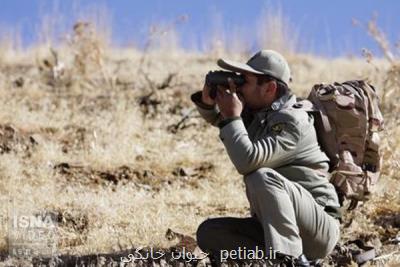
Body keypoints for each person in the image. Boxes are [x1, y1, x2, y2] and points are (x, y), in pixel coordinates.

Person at [191, 50, 341, 266]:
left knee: (261, 176)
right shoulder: (262, 113)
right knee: (209, 233)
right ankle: (269, 258)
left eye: (245, 81)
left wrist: (232, 116)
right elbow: (222, 120)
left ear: (270, 87)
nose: (239, 86)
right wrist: (208, 103)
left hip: (317, 229)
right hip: (277, 225)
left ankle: (290, 260)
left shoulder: (292, 121)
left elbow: (247, 160)